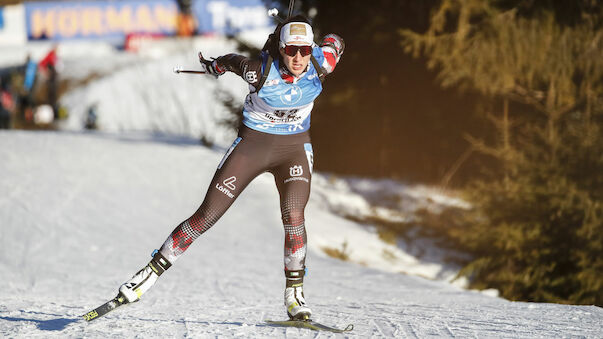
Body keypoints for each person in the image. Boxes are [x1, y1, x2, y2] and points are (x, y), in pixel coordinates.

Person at [118, 15, 344, 320]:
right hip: (254, 145)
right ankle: (148, 274)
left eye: (305, 50)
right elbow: (232, 61)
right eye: (291, 50)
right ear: (281, 48)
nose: (299, 58)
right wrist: (214, 66)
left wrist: (328, 43)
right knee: (207, 215)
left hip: (294, 149)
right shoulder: (260, 71)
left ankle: (295, 295)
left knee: (294, 215)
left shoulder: (321, 63)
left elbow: (336, 43)